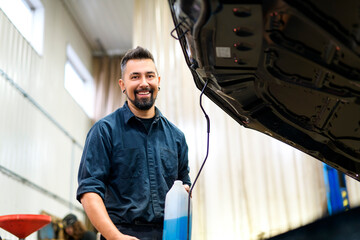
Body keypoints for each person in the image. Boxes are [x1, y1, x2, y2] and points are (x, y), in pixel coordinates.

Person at [76, 46, 191, 240]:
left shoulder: (176, 137)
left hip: (168, 234)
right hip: (120, 233)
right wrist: (115, 237)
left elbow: (185, 188)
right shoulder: (104, 131)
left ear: (158, 81)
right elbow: (89, 192)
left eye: (150, 76)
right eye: (135, 77)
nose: (144, 83)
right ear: (122, 84)